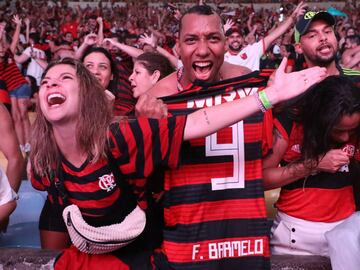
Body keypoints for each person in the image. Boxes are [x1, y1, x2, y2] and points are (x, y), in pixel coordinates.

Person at [135, 5, 325, 269]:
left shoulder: (249, 84)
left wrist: (279, 106)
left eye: (213, 38)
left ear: (226, 44)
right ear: (177, 47)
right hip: (187, 242)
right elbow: (148, 182)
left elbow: (265, 159)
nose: (202, 50)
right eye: (191, 40)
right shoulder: (158, 100)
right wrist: (150, 131)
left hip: (244, 241)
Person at [263, 76, 360, 256]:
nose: (346, 138)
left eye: (352, 130)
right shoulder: (292, 121)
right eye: (338, 130)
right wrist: (313, 164)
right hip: (294, 236)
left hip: (347, 232)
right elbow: (262, 179)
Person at [224, 2, 306, 71]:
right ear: (227, 40)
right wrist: (222, 33)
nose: (235, 39)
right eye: (232, 37)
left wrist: (292, 17)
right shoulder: (222, 58)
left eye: (238, 36)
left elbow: (275, 34)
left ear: (242, 39)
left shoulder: (252, 51)